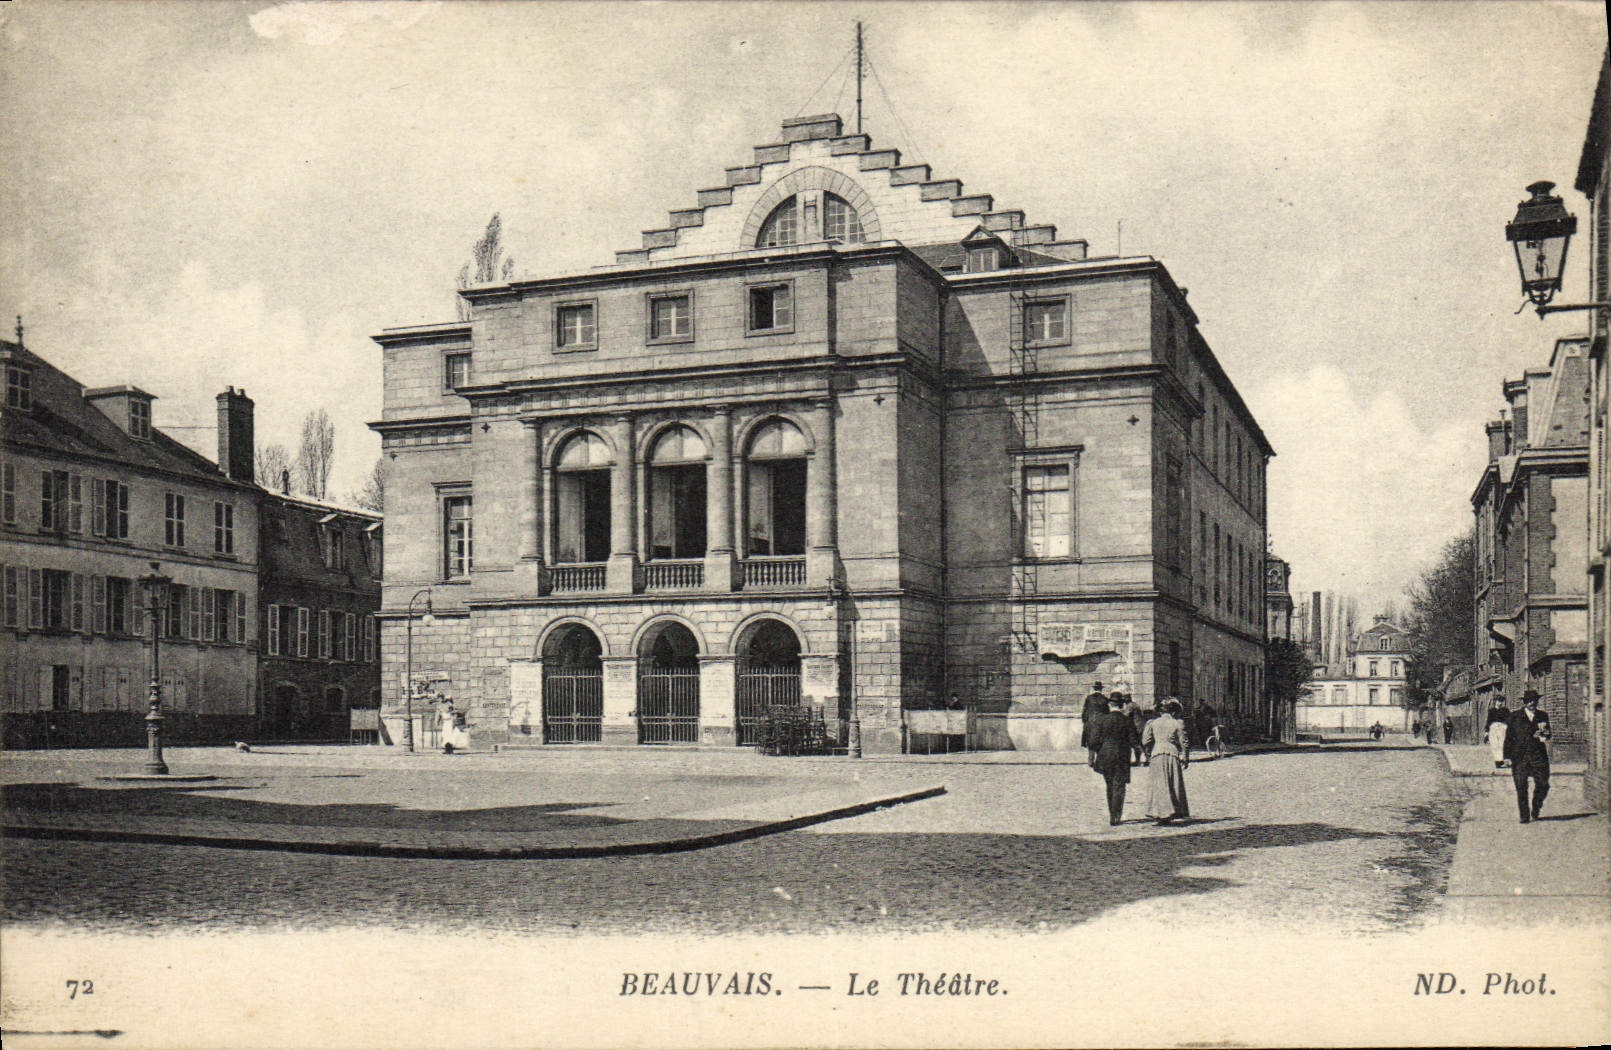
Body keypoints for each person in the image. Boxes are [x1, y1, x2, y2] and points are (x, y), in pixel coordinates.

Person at [1088, 693, 1140, 826]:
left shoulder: (1101, 720)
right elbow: (1134, 740)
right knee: (1120, 786)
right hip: (1122, 756)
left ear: (1110, 705)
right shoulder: (1127, 720)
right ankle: (1117, 815)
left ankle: (1112, 813)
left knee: (1109, 785)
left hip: (1106, 756)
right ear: (1122, 705)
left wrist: (1092, 756)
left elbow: (1094, 741)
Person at [1504, 689, 1552, 824]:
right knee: (1521, 787)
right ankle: (1524, 816)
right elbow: (1509, 738)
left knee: (1543, 784)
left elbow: (1548, 735)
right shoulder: (1514, 717)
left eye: (1534, 700)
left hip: (1538, 756)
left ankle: (1536, 806)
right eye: (1529, 701)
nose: (1532, 703)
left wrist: (1544, 734)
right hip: (1519, 757)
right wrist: (1506, 756)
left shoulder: (1542, 716)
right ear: (1525, 702)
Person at [1143, 698, 1191, 825]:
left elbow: (1145, 741)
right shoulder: (1177, 723)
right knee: (1171, 783)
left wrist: (1148, 754)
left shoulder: (1152, 723)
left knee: (1158, 784)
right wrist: (1185, 757)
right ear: (1174, 712)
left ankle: (1158, 812)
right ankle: (1171, 811)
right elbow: (1184, 742)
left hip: (1156, 753)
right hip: (1171, 753)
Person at [1081, 681, 1108, 765]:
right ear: (1101, 689)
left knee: (1090, 741)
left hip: (1090, 722)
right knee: (1100, 741)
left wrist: (1085, 722)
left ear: (1094, 689)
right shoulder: (1104, 699)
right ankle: (1100, 760)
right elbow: (1107, 712)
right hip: (1101, 722)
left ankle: (1090, 759)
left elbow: (1084, 711)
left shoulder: (1089, 698)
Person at [1485, 699, 1511, 770]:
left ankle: (1503, 761)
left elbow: (1509, 719)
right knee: (1495, 745)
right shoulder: (1491, 711)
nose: (1500, 703)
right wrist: (1486, 731)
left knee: (1502, 744)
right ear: (1495, 702)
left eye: (1501, 701)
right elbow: (1489, 721)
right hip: (1494, 728)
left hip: (1502, 728)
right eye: (1498, 701)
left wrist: (1509, 727)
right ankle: (1498, 762)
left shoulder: (1505, 710)